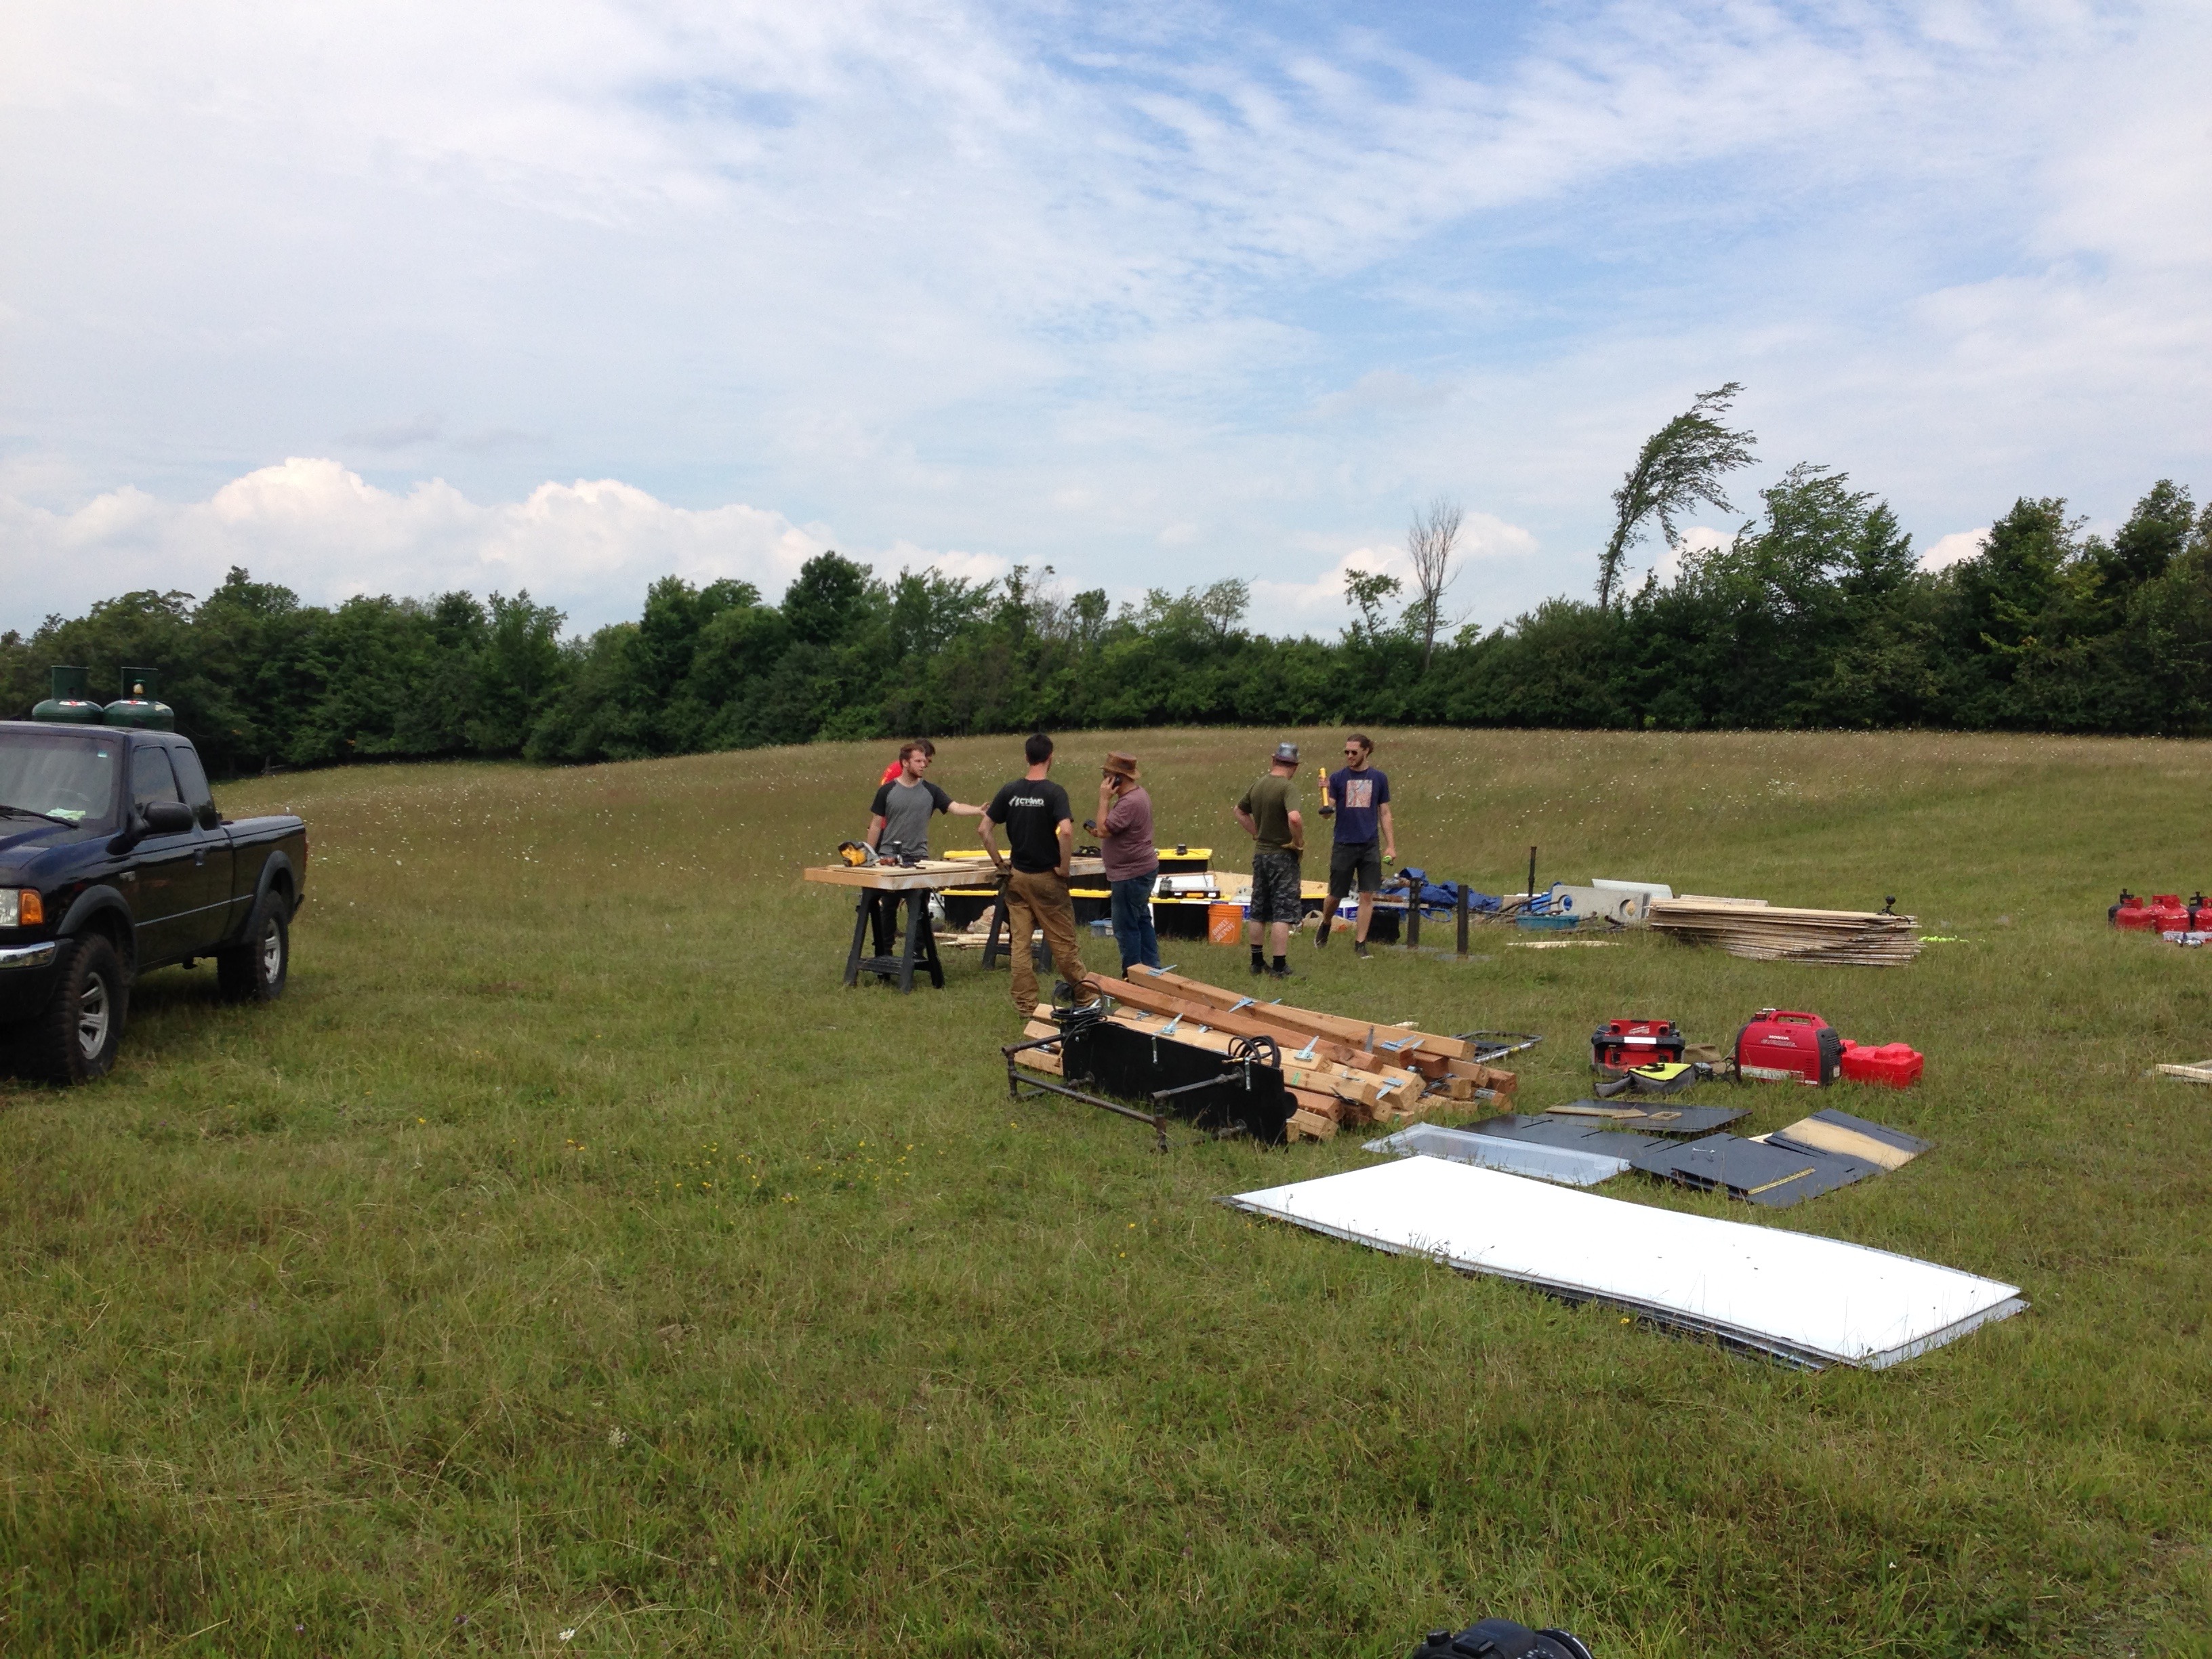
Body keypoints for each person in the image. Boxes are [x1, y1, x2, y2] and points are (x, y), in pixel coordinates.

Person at [980, 733, 1094, 1017]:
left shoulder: (1010, 791)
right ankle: (1085, 996)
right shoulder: (1054, 792)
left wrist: (1000, 864)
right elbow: (1066, 831)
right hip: (1047, 879)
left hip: (1017, 877)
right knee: (1063, 942)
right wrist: (1064, 868)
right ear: (1050, 757)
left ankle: (1026, 1006)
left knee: (1020, 944)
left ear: (1026, 757)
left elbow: (984, 830)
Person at [1315, 731, 1395, 958]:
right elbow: (1327, 812)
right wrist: (1324, 798)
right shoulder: (1338, 778)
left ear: (1366, 751)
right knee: (1336, 894)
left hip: (1370, 844)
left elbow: (1385, 813)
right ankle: (1326, 924)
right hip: (1344, 843)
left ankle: (1360, 944)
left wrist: (1391, 845)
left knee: (1367, 894)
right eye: (1346, 752)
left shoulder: (1379, 778)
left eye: (1354, 752)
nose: (1349, 756)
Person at [1233, 741, 1305, 979]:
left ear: (1273, 760)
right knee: (1282, 912)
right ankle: (1280, 965)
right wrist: (1298, 842)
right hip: (1282, 856)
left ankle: (1256, 961)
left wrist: (1256, 832)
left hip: (1261, 855)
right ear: (1294, 766)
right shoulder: (1287, 788)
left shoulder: (1259, 784)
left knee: (1259, 909)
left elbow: (1239, 811)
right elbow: (1294, 818)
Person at [1086, 751, 1159, 974]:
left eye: (1107, 775)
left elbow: (1105, 829)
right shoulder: (1139, 795)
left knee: (1126, 927)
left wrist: (1103, 799)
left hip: (1130, 874)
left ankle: (1132, 976)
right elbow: (1106, 830)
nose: (1104, 781)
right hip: (1140, 870)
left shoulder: (1128, 803)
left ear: (1118, 778)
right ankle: (1152, 971)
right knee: (1142, 921)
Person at [864, 739, 983, 863]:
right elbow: (876, 825)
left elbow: (956, 807)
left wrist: (978, 810)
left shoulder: (932, 790)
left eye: (924, 762)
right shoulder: (886, 791)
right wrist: (870, 856)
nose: (923, 765)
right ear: (905, 763)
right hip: (889, 856)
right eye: (918, 761)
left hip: (919, 857)